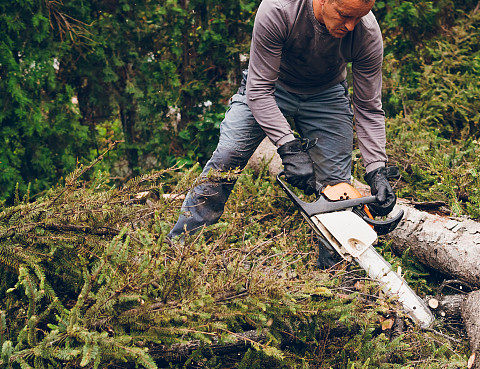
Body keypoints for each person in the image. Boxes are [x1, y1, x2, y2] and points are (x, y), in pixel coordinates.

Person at [168, 0, 398, 267]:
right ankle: (181, 252)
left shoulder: (366, 33)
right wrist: (288, 147)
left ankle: (334, 276)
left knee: (338, 186)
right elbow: (258, 90)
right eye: (345, 15)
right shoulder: (279, 10)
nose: (351, 26)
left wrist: (376, 171)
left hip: (327, 94)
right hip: (270, 86)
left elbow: (369, 107)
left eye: (359, 17)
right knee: (228, 156)